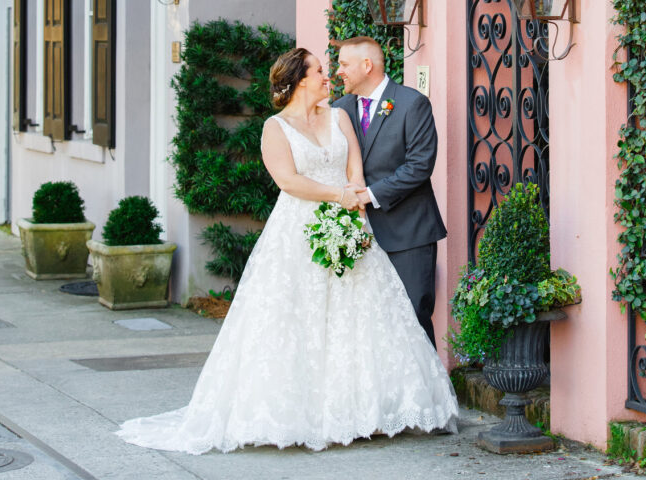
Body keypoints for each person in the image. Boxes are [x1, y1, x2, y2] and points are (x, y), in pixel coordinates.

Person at [115, 48, 458, 455]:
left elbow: (355, 169)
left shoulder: (340, 116)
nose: (327, 74)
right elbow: (289, 181)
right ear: (299, 80)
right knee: (295, 318)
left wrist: (350, 204)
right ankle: (300, 413)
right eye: (319, 70)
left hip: (349, 220)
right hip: (299, 228)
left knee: (362, 318)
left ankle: (369, 411)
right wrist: (337, 197)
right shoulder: (274, 129)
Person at [333, 36, 447, 346]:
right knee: (364, 326)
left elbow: (419, 166)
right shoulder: (338, 109)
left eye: (343, 64)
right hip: (357, 235)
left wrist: (366, 195)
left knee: (412, 319)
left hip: (409, 234)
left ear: (366, 65)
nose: (338, 71)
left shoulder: (412, 104)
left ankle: (424, 395)